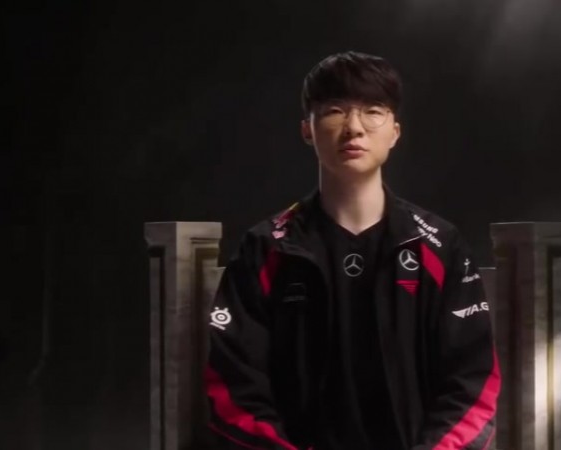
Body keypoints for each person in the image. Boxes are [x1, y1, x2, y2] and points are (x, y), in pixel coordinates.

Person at [204, 51, 500, 450]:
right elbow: (232, 388)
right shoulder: (266, 249)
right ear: (307, 129)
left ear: (395, 132)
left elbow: (474, 382)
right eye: (334, 111)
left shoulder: (441, 246)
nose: (354, 128)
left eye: (373, 111)